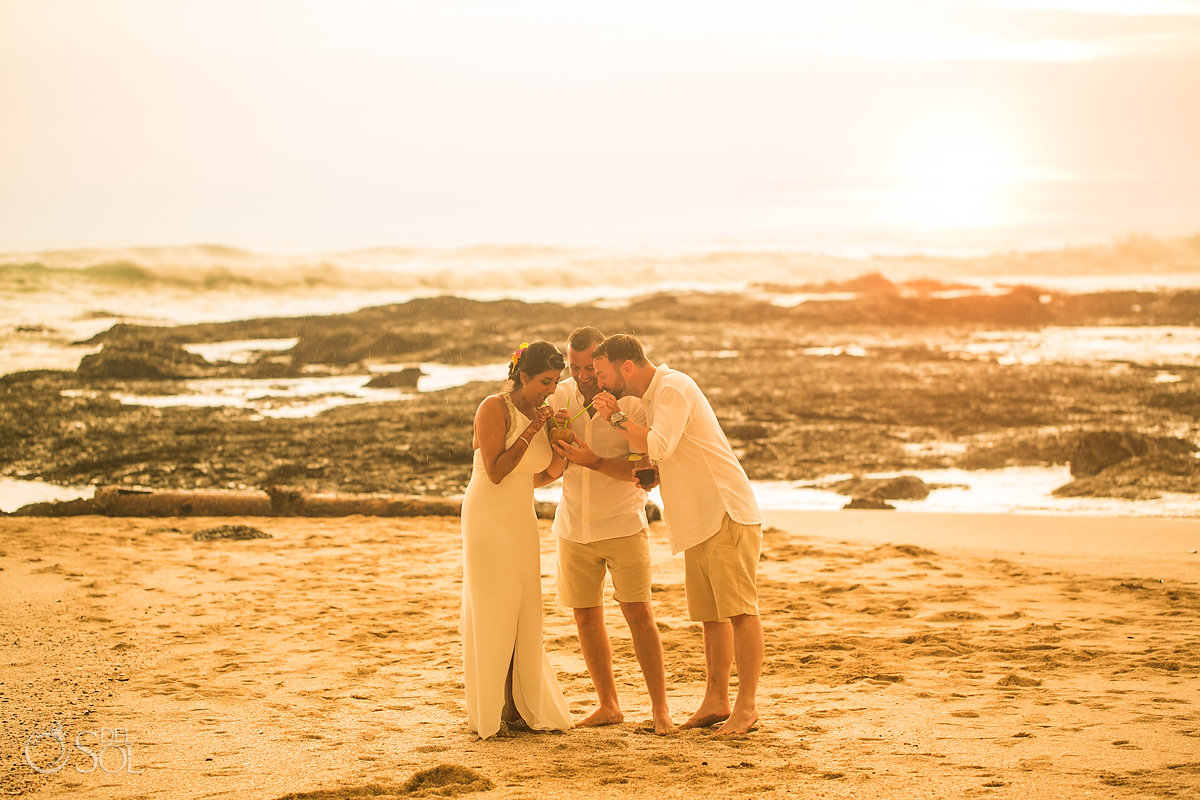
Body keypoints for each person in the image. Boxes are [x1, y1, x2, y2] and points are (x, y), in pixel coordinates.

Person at [590, 333, 763, 736]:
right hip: (696, 519)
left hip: (725, 512)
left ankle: (747, 707)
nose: (599, 384)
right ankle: (716, 700)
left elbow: (660, 444)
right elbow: (660, 454)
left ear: (626, 367)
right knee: (711, 617)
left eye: (602, 375)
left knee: (740, 611)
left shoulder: (673, 387)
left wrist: (614, 417)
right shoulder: (650, 400)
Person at [545, 326, 678, 735]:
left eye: (591, 368)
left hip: (622, 522)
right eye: (575, 367)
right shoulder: (559, 397)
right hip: (572, 524)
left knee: (639, 613)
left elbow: (644, 473)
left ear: (602, 363)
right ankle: (609, 705)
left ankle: (660, 710)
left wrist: (593, 457)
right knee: (585, 617)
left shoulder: (632, 405)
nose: (584, 376)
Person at [460, 340, 573, 739]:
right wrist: (533, 430)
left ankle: (519, 707)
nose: (551, 389)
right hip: (487, 519)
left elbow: (536, 476)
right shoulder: (494, 407)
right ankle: (495, 710)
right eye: (545, 381)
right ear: (522, 377)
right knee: (495, 610)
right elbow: (495, 471)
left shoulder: (540, 412)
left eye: (556, 381)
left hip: (520, 519)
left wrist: (561, 452)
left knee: (524, 610)